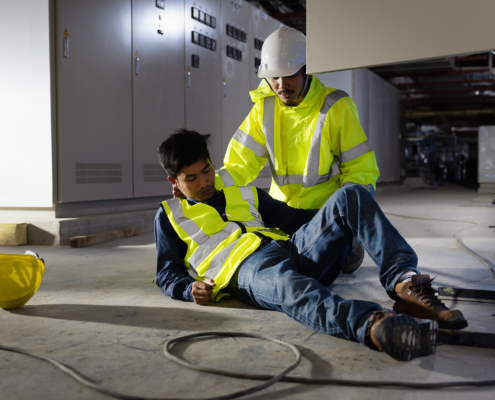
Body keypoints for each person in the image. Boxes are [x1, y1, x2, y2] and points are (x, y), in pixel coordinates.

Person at [155, 129, 467, 362]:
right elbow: (167, 271)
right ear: (174, 181)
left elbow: (295, 218)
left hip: (292, 249)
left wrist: (344, 220)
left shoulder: (241, 190)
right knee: (294, 290)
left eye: (206, 170)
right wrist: (188, 288)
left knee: (351, 195)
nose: (204, 182)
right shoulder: (169, 215)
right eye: (191, 178)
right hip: (249, 270)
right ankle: (376, 326)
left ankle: (404, 284)